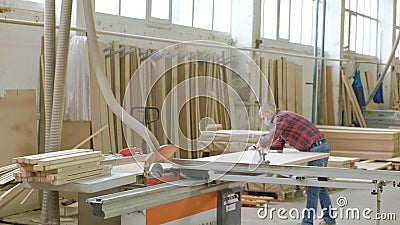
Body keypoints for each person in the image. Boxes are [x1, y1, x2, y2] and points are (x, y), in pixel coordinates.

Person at [255, 103, 336, 225]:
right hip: (318, 147)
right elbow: (277, 143)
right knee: (320, 186)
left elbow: (273, 136)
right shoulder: (281, 122)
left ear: (268, 112)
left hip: (317, 148)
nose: (264, 121)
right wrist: (265, 151)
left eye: (263, 117)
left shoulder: (281, 117)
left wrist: (260, 143)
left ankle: (307, 222)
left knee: (312, 186)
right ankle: (329, 219)